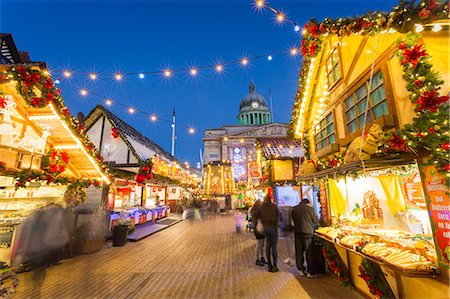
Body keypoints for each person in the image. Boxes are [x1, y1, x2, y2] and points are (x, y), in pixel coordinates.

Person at [292, 198, 319, 278]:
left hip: (297, 233)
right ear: (307, 203)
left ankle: (301, 270)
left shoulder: (295, 209)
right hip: (308, 233)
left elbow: (293, 220)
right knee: (309, 252)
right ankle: (310, 272)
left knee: (299, 252)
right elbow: (315, 221)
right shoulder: (310, 209)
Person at [255, 195, 280, 272]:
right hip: (273, 227)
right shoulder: (274, 207)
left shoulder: (260, 207)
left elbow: (256, 217)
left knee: (267, 246)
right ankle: (275, 265)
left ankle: (269, 265)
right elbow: (279, 216)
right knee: (274, 247)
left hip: (265, 228)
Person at [250, 199, 266, 266]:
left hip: (259, 228)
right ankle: (257, 259)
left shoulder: (253, 210)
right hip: (258, 228)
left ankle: (262, 258)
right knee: (259, 244)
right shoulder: (256, 211)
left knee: (261, 244)